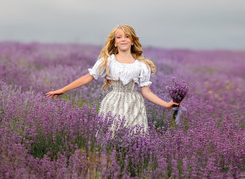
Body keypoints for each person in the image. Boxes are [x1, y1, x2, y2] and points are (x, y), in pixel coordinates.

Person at [46, 24, 179, 133]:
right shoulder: (108, 61)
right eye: (119, 37)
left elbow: (146, 92)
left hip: (134, 105)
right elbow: (88, 77)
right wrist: (63, 90)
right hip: (113, 102)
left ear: (132, 41)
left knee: (134, 138)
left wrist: (166, 104)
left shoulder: (142, 65)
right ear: (114, 42)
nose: (123, 39)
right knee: (111, 136)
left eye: (127, 36)